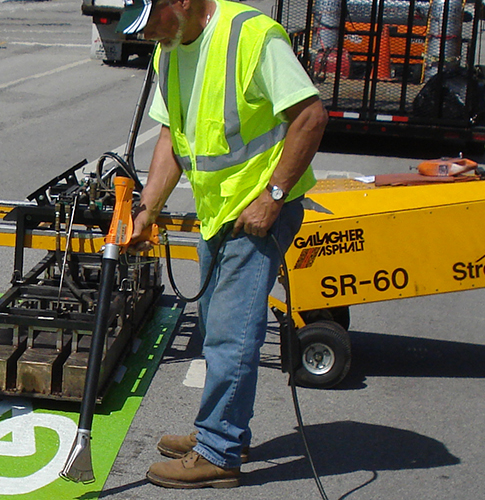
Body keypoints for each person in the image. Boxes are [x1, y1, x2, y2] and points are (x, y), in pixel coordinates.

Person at [118, 0, 328, 489]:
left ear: (182, 2)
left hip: (257, 213)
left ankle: (218, 451)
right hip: (218, 211)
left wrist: (273, 197)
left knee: (232, 332)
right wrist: (147, 209)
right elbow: (173, 135)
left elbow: (311, 116)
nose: (147, 35)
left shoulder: (251, 37)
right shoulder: (168, 47)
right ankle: (222, 430)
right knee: (215, 322)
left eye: (151, 22)